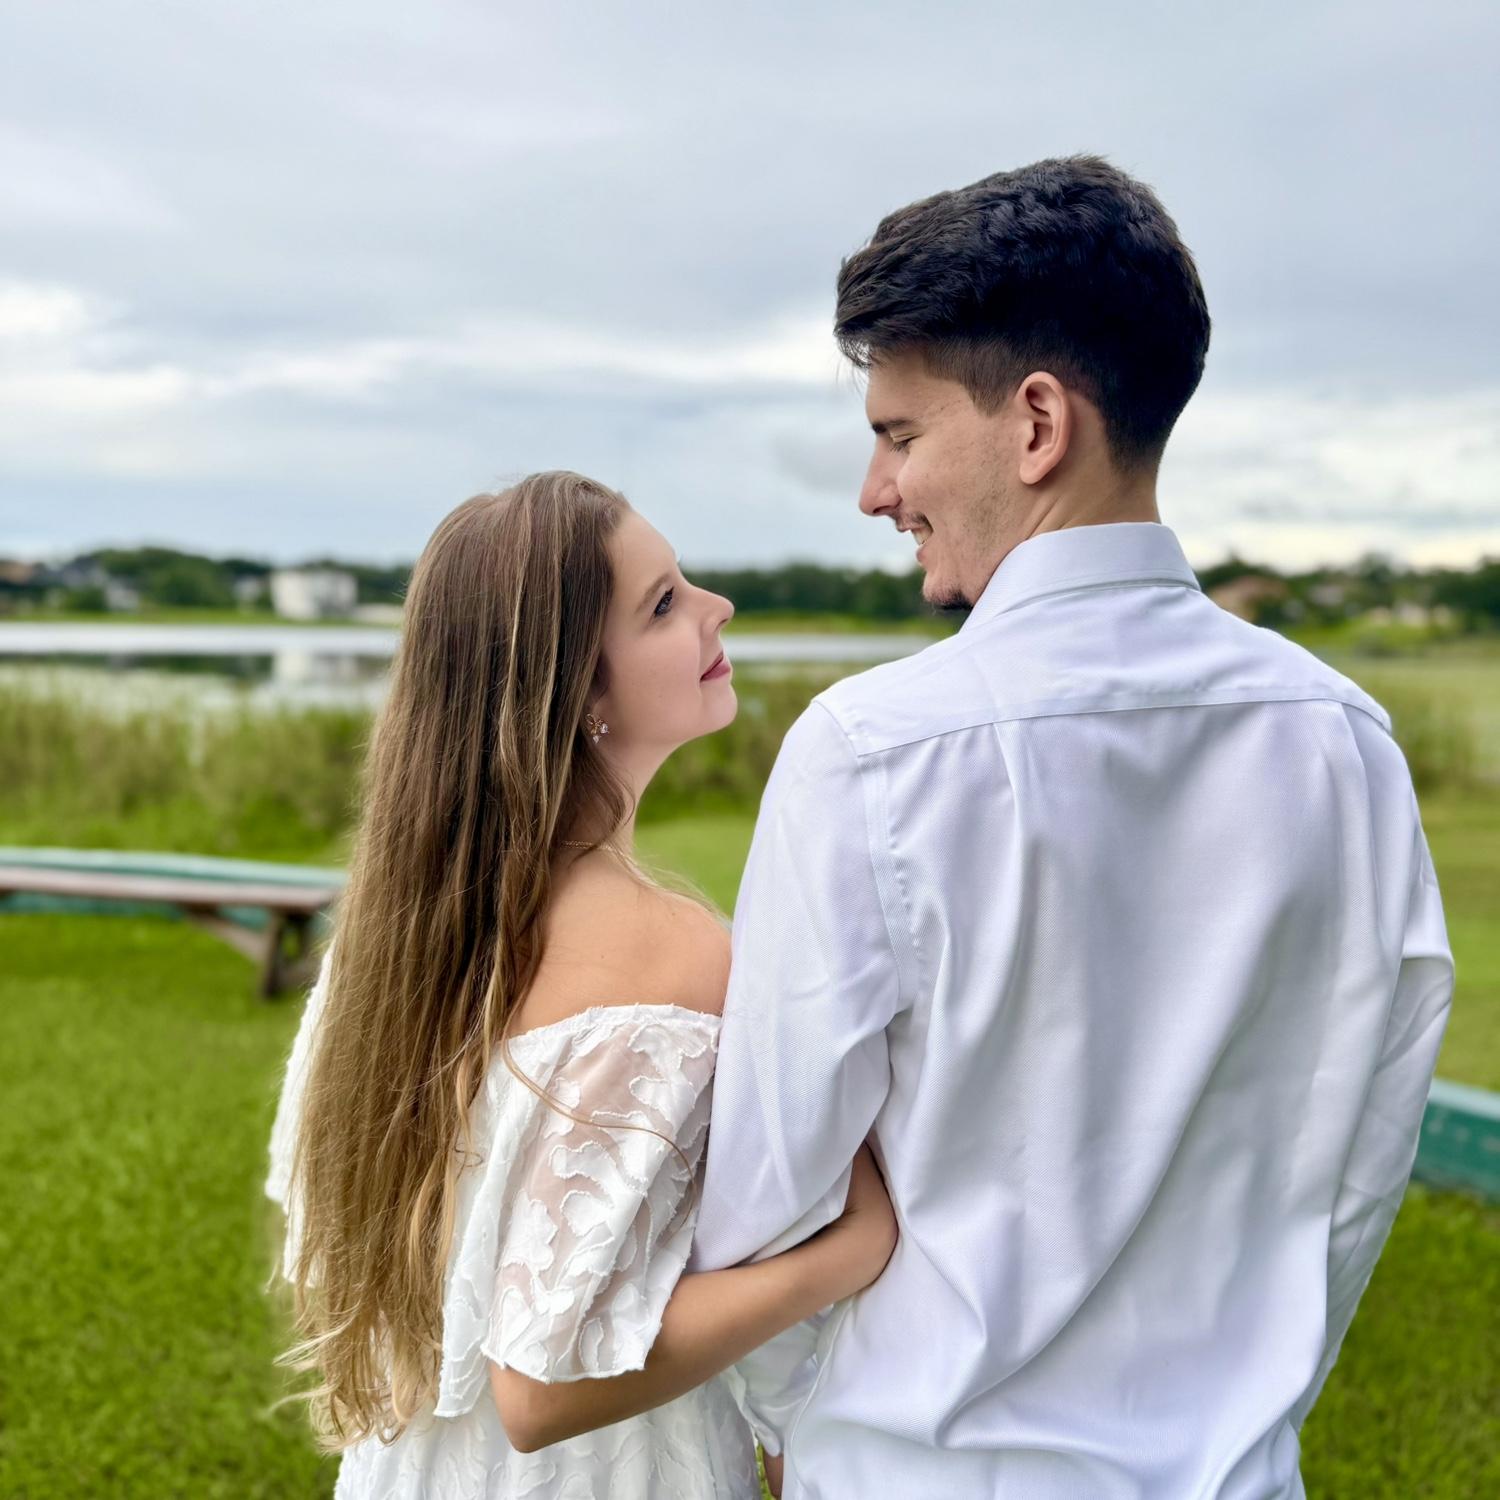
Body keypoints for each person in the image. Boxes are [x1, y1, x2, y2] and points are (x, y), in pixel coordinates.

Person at [689, 155, 1455, 1498]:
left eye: (900, 434)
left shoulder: (870, 754)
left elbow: (770, 1197)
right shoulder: (1348, 744)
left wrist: (802, 1424)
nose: (875, 491)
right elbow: (1363, 1159)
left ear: (1038, 423)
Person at [264, 471, 896, 1499]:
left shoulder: (384, 947)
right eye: (663, 604)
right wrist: (851, 1251)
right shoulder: (672, 956)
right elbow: (539, 1387)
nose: (717, 608)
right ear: (579, 693)